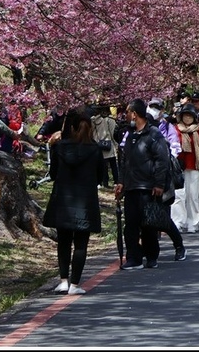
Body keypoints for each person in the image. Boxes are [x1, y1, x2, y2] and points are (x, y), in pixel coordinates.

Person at [42, 105, 104, 295]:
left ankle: (63, 281)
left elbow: (52, 174)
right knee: (81, 244)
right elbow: (101, 176)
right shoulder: (94, 149)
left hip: (62, 200)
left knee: (63, 241)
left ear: (71, 128)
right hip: (85, 201)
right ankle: (75, 285)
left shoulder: (59, 148)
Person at [115, 98, 182, 269]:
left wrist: (158, 184)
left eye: (128, 113)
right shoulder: (130, 135)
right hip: (131, 186)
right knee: (130, 224)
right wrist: (121, 182)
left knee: (149, 224)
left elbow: (162, 160)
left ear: (135, 114)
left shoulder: (154, 135)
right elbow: (124, 160)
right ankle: (134, 258)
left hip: (148, 187)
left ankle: (152, 256)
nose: (126, 116)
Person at [172, 103, 199, 234]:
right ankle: (177, 222)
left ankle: (192, 222)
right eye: (185, 115)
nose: (187, 118)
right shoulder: (175, 129)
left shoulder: (198, 130)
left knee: (193, 195)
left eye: (190, 116)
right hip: (179, 166)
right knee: (179, 195)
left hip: (195, 165)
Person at [92, 106, 119, 188]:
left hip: (98, 144)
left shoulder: (93, 120)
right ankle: (116, 182)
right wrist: (116, 144)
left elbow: (92, 132)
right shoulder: (110, 120)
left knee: (103, 165)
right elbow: (112, 133)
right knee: (113, 164)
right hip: (109, 144)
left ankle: (103, 182)